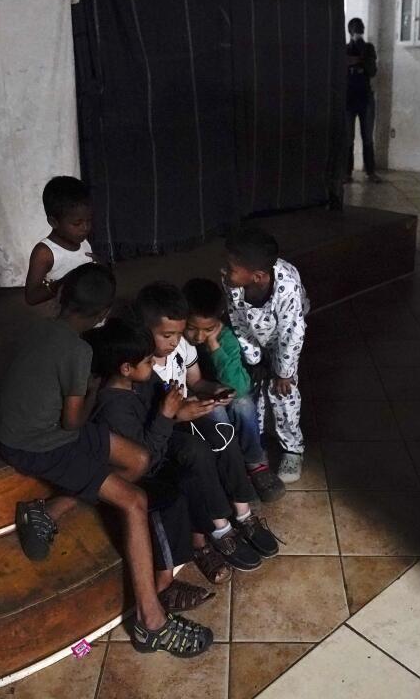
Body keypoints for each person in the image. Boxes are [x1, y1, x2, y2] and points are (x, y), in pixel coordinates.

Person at [0, 264, 213, 657]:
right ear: (102, 314)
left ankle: (48, 510)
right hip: (40, 443)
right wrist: (93, 389)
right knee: (134, 501)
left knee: (139, 460)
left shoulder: (37, 328)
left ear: (62, 296)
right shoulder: (78, 351)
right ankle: (152, 623)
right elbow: (73, 420)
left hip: (27, 429)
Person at [135, 282, 281, 582]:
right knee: (200, 453)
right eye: (168, 335)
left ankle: (243, 515)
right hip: (167, 430)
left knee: (222, 430)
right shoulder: (143, 366)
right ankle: (221, 529)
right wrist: (181, 414)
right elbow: (149, 421)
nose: (177, 342)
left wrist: (216, 390)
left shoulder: (182, 347)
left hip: (187, 413)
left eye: (178, 334)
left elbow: (196, 382)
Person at [85, 318, 217, 614]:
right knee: (166, 503)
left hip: (149, 463)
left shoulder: (132, 387)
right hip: (132, 479)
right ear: (126, 368)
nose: (152, 364)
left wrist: (178, 410)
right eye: (147, 360)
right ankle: (163, 586)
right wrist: (167, 414)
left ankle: (199, 543)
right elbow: (144, 457)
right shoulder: (114, 407)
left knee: (189, 476)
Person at [182, 277, 286, 503]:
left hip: (222, 392)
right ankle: (233, 467)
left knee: (243, 403)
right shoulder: (179, 341)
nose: (199, 337)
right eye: (191, 328)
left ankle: (254, 462)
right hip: (194, 399)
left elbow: (239, 387)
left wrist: (214, 346)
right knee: (216, 413)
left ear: (218, 321)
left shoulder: (225, 337)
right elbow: (191, 384)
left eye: (207, 329)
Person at [222, 228, 309, 483]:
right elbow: (237, 322)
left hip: (285, 335)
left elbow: (292, 333)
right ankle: (256, 440)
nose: (225, 272)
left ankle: (293, 448)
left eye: (231, 268)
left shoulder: (288, 286)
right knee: (256, 387)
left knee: (283, 392)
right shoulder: (232, 283)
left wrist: (284, 372)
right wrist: (255, 359)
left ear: (258, 276)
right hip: (255, 336)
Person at [24, 176, 96, 306]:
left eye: (89, 220)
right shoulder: (45, 253)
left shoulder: (83, 242)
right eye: (77, 223)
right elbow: (31, 297)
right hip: (67, 321)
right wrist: (64, 283)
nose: (85, 228)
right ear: (54, 222)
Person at [345, 17, 382, 184]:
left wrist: (358, 59)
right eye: (355, 32)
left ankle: (370, 171)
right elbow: (342, 65)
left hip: (365, 98)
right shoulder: (345, 48)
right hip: (348, 98)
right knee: (348, 138)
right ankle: (347, 172)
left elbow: (372, 70)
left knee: (367, 137)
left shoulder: (368, 48)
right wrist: (358, 61)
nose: (358, 35)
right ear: (350, 32)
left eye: (360, 31)